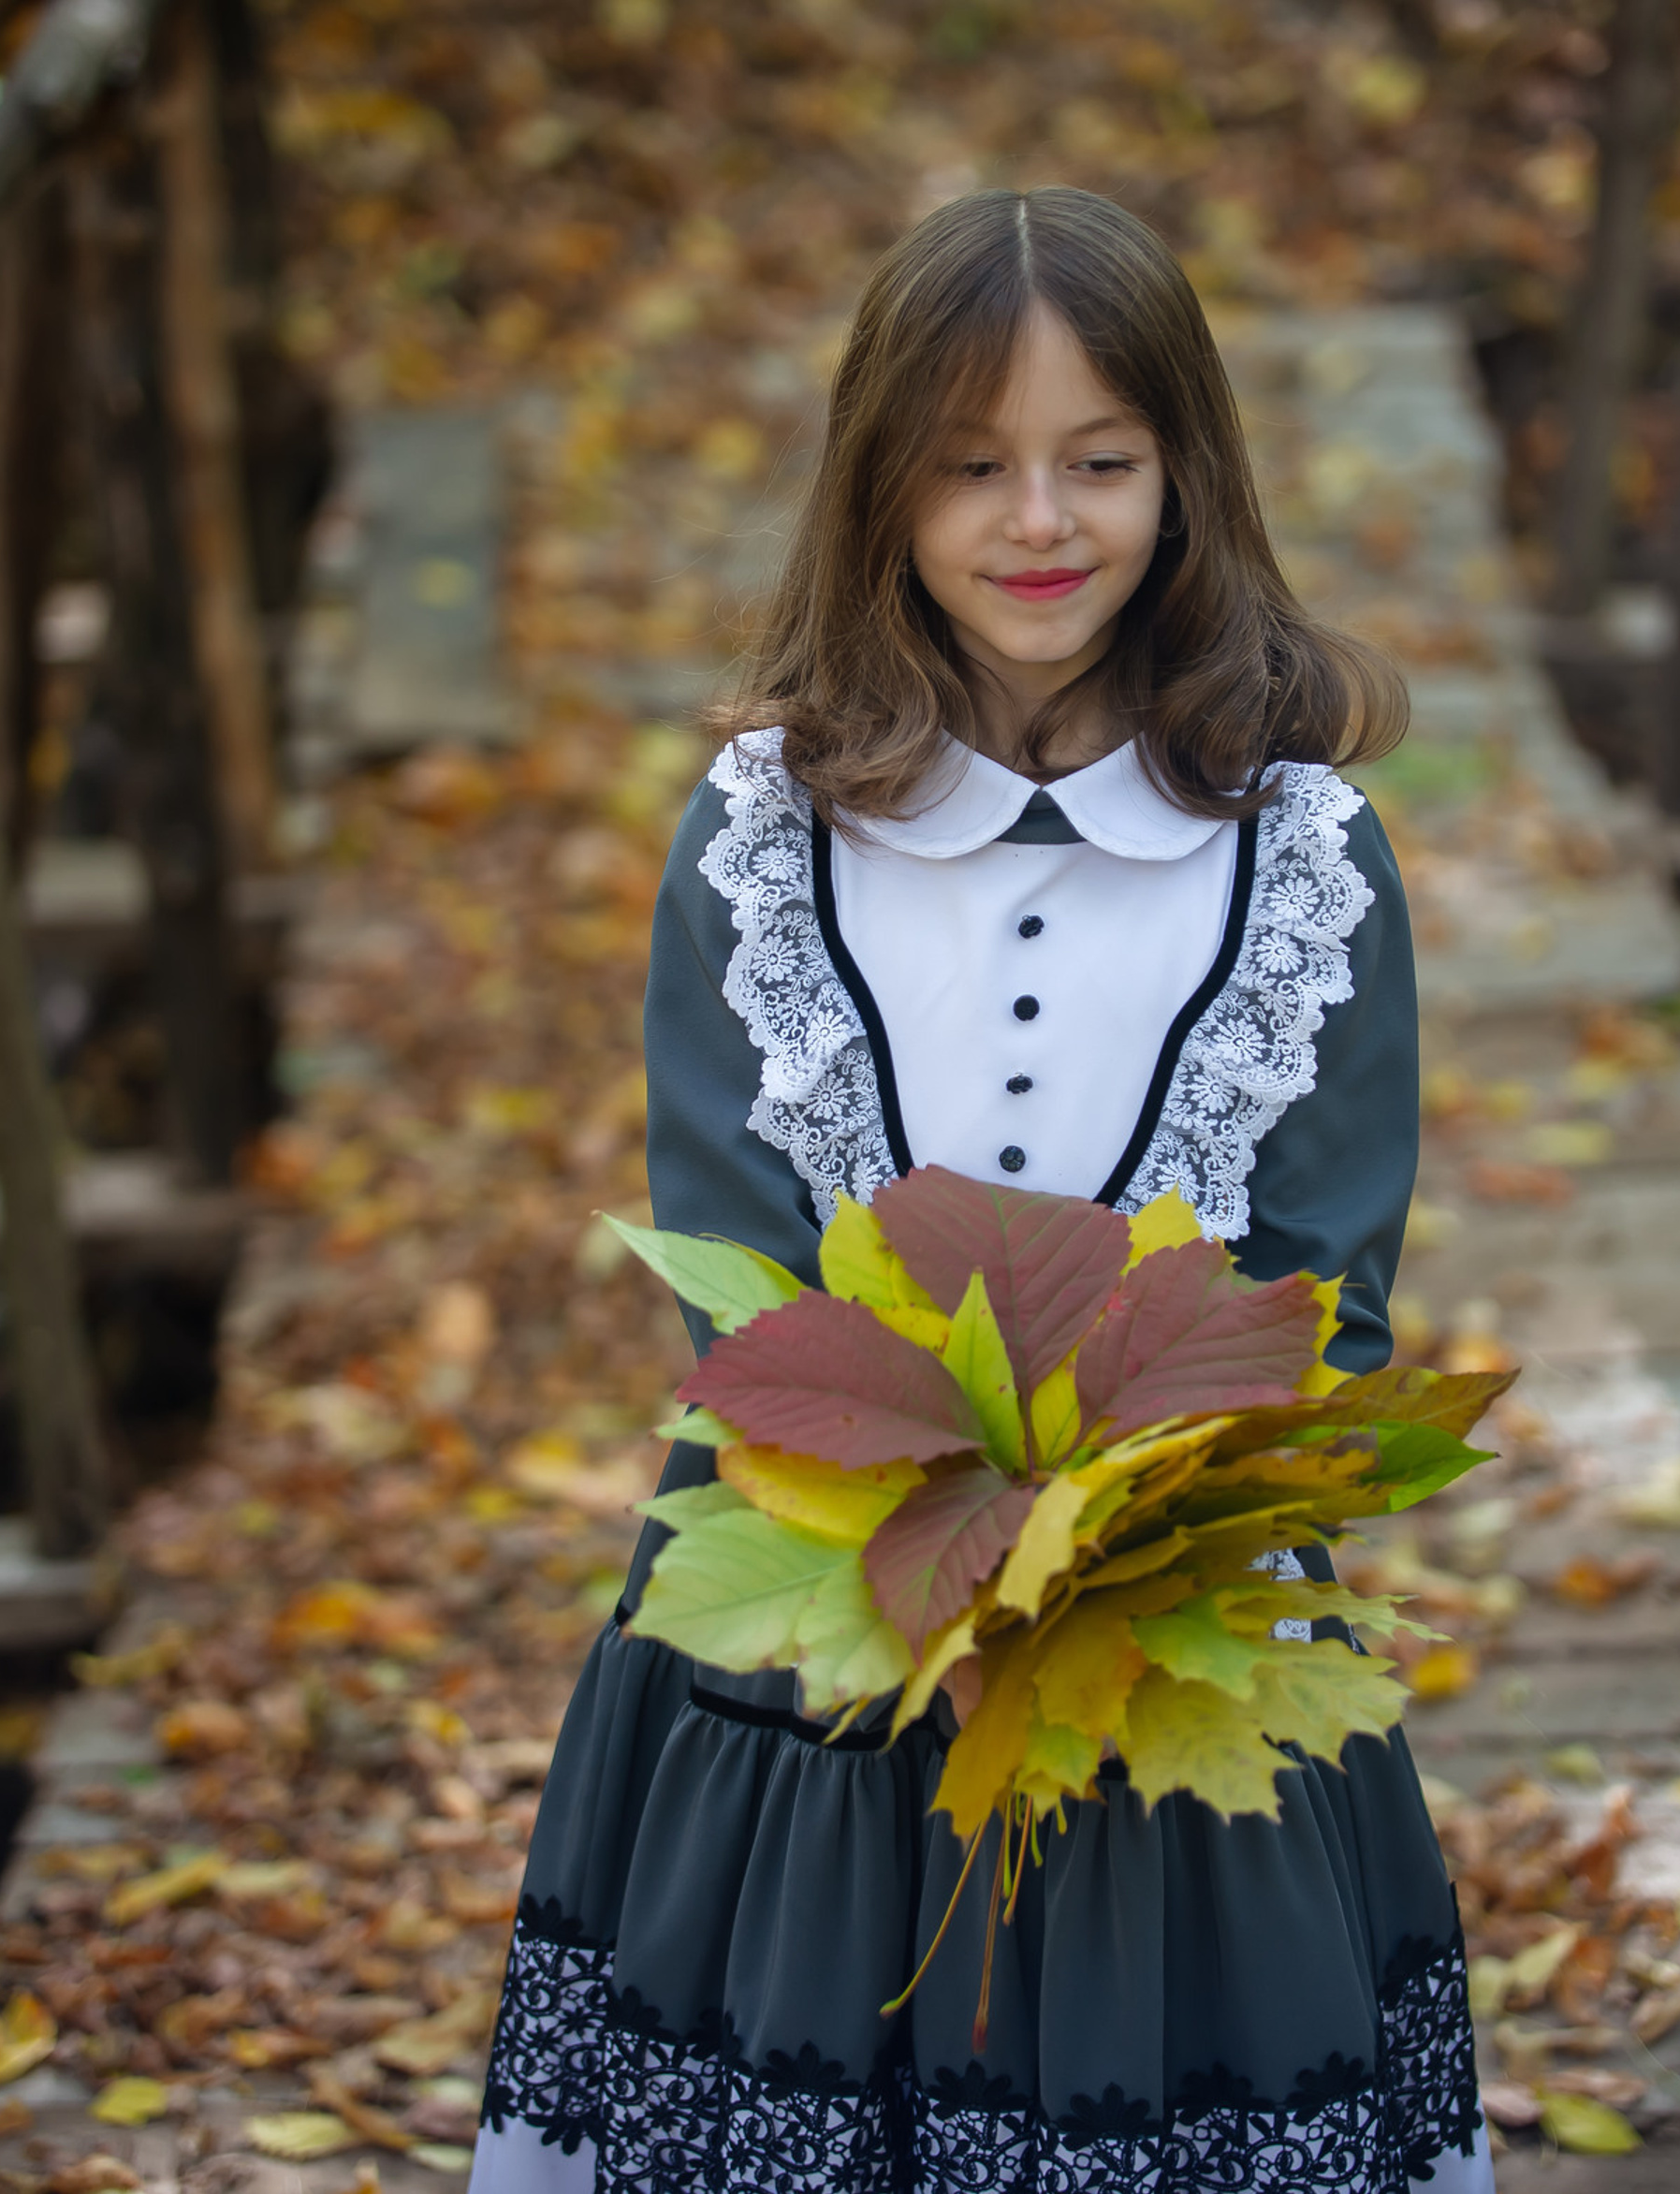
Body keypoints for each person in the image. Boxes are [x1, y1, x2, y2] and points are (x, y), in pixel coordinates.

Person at [469, 186, 1487, 2194]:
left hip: (1174, 1624)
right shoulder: (762, 840)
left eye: (1099, 462)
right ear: (880, 493)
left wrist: (1108, 1527)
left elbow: (1321, 1296)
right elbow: (742, 1285)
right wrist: (935, 1534)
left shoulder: (1302, 859)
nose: (1041, 521)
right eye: (972, 466)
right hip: (817, 1637)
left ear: (1183, 475)